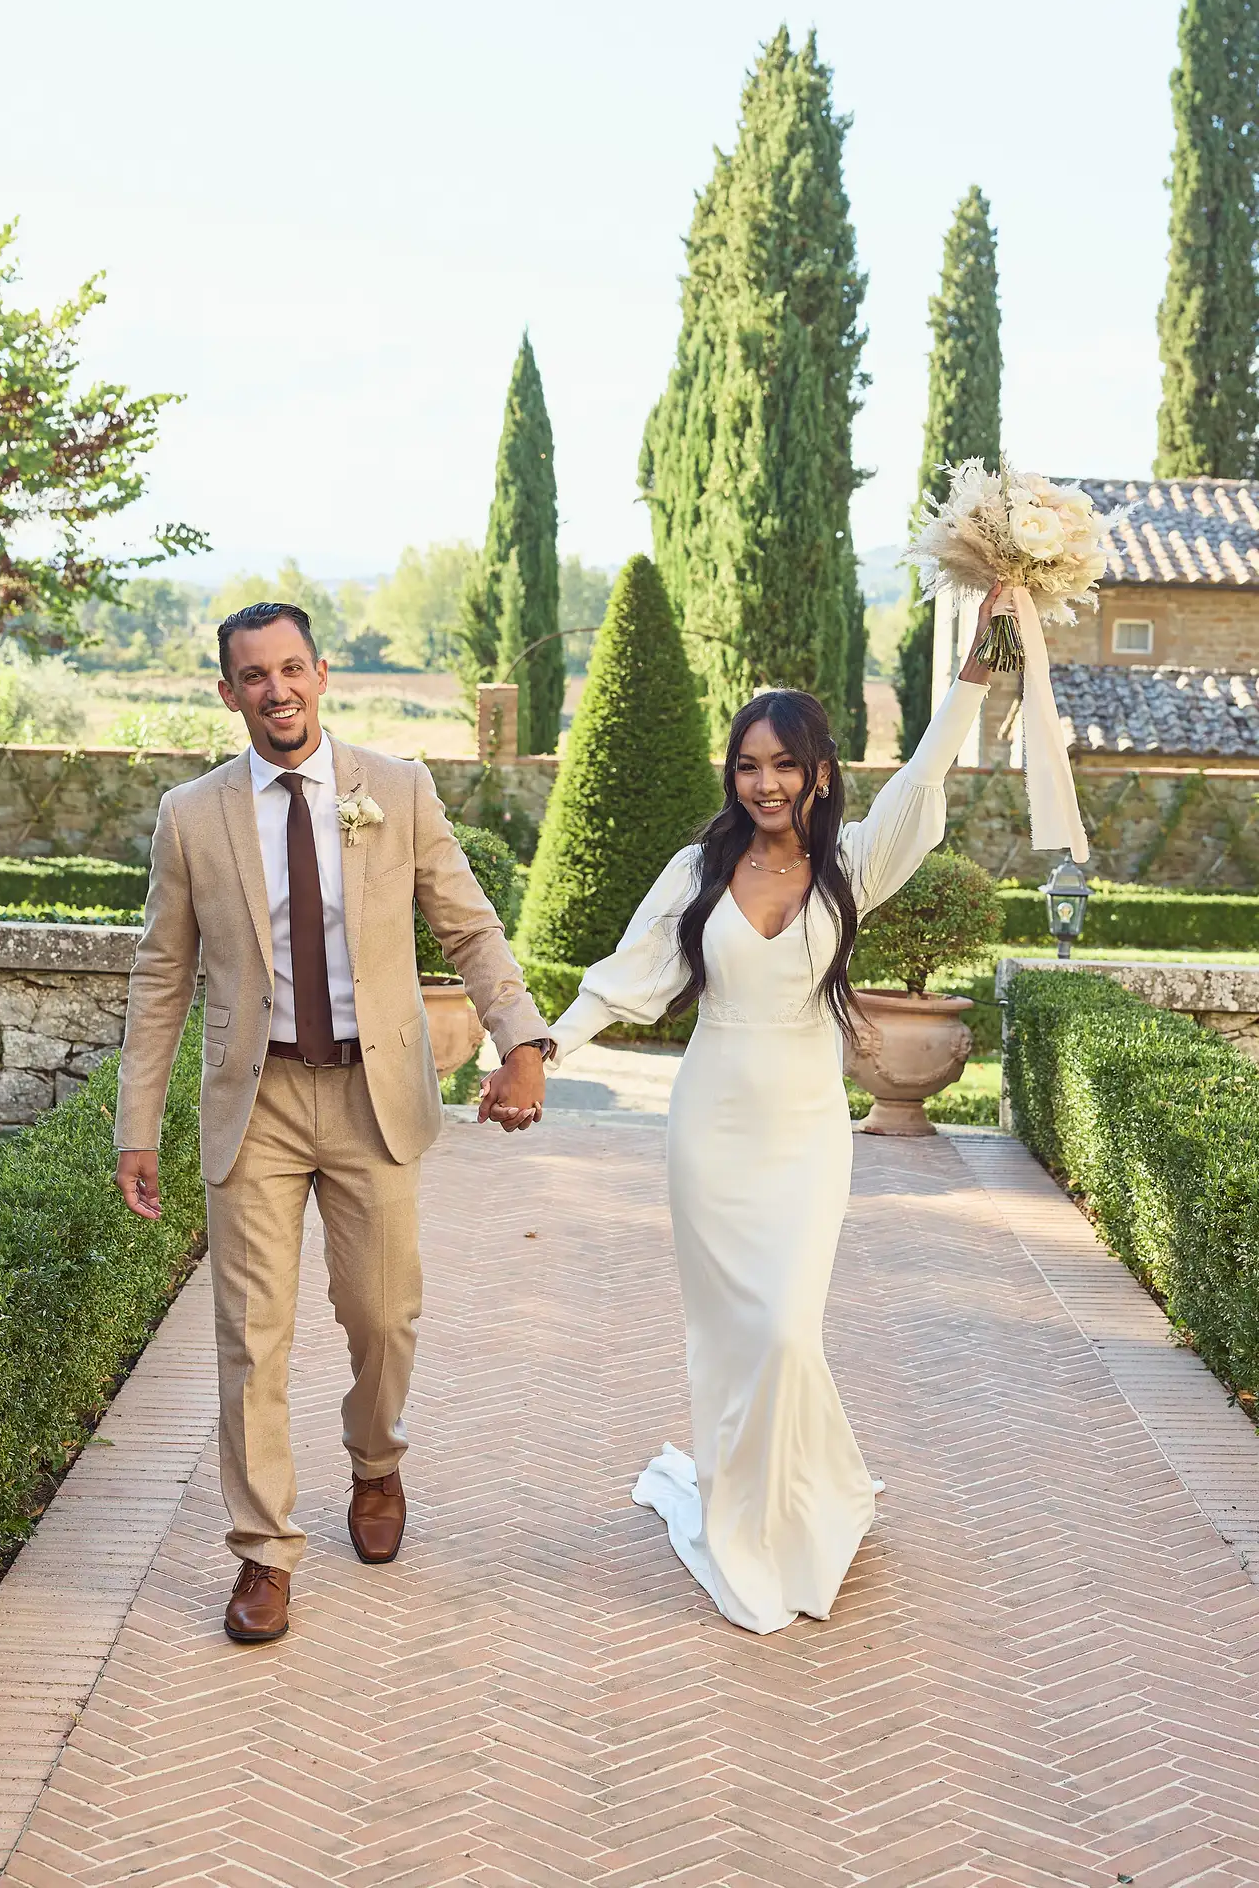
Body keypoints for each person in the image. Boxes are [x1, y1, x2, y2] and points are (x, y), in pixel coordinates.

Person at [545, 585, 999, 1635]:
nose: (763, 782)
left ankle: (802, 1500)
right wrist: (540, 1051)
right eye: (747, 764)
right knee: (733, 1335)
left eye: (783, 764)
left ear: (818, 772)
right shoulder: (695, 871)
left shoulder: (850, 871)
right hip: (708, 1132)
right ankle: (744, 1514)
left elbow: (921, 783)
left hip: (801, 1131)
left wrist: (975, 667)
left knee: (786, 1328)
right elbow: (623, 981)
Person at [114, 601, 550, 1644]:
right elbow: (160, 974)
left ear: (322, 675)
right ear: (228, 694)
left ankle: (376, 1462)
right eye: (253, 675)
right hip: (254, 1103)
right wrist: (135, 1126)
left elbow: (467, 924)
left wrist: (522, 1041)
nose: (277, 690)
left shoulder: (393, 790)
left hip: (370, 1099)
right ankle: (263, 1553)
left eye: (292, 668)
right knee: (250, 1341)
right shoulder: (192, 814)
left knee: (381, 1318)